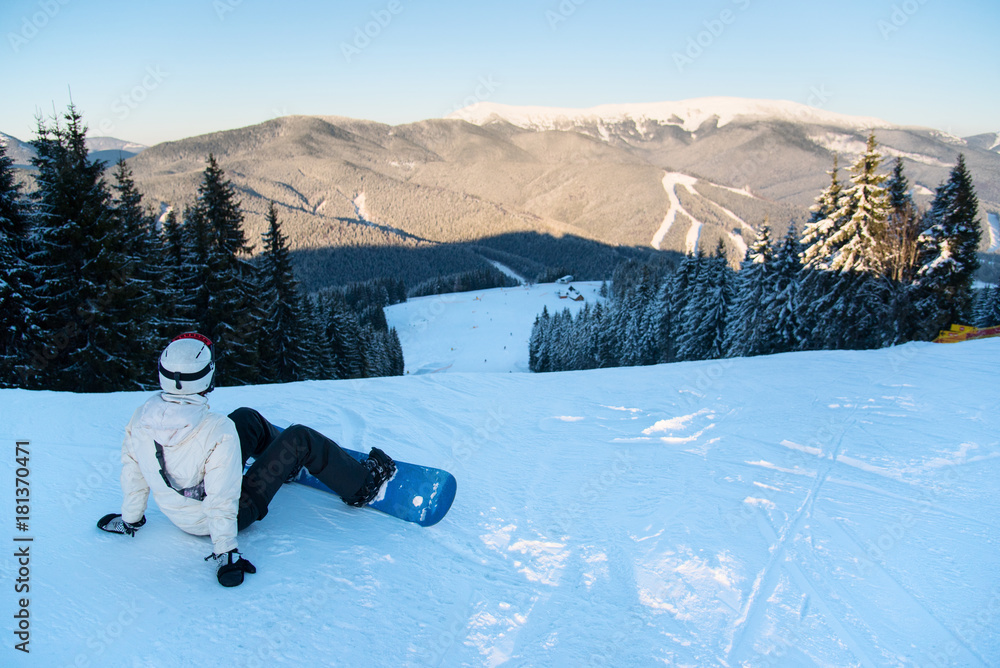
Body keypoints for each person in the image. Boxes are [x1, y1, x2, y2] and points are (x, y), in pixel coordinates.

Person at [96, 332, 396, 587]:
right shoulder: (216, 428)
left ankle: (282, 465)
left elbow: (133, 472)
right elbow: (222, 499)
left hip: (182, 510)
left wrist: (130, 520)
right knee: (300, 437)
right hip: (225, 515)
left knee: (246, 418)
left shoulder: (141, 417)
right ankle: (363, 485)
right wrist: (226, 553)